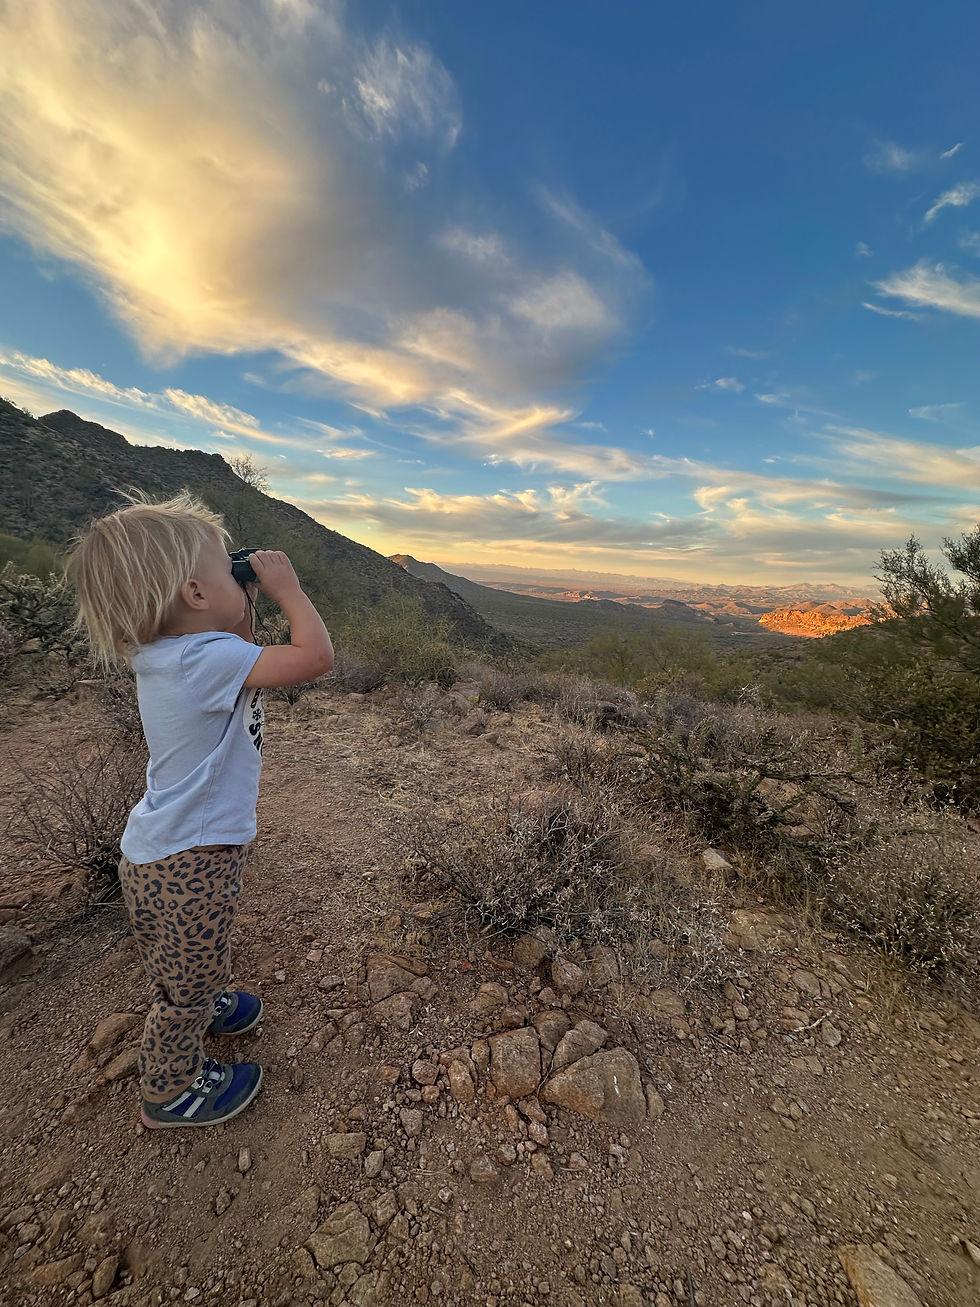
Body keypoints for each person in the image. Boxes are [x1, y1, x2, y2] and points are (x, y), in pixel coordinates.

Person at [69, 491, 333, 1129]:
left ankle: (207, 994)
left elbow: (229, 637)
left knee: (189, 953)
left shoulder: (167, 655)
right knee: (182, 985)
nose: (241, 580)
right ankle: (170, 1089)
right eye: (228, 572)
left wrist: (235, 599)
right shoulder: (204, 659)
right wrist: (284, 589)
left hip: (162, 852)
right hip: (191, 857)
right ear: (193, 593)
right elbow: (316, 657)